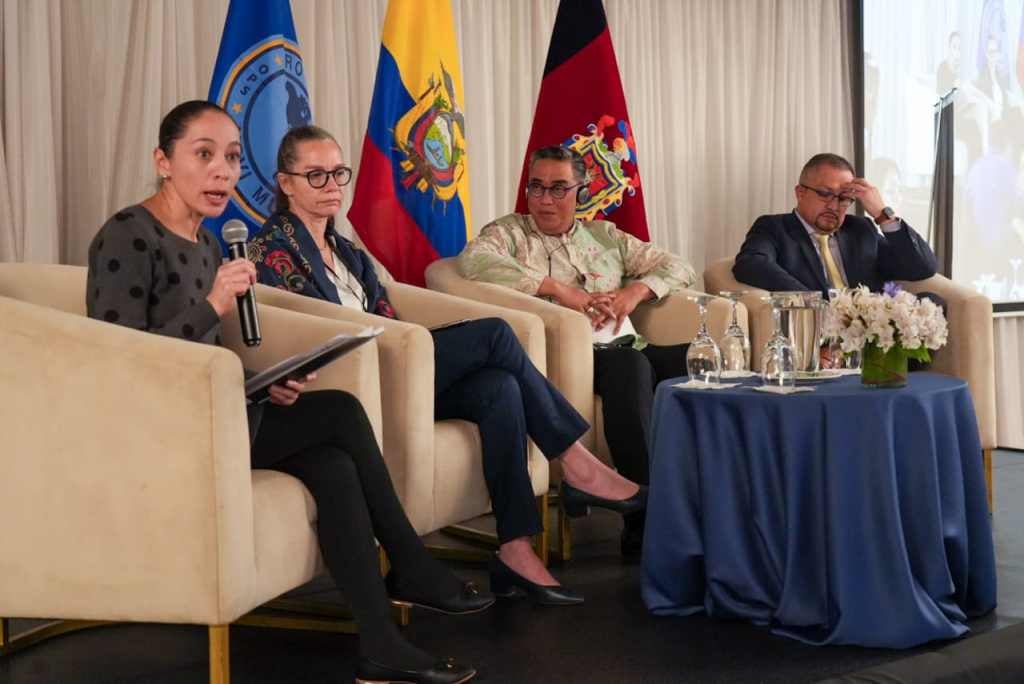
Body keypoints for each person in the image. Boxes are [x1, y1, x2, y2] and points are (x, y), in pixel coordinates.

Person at [87, 101, 487, 684]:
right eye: (203, 155)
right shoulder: (127, 236)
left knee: (332, 464)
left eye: (229, 157)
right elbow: (119, 361)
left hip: (216, 413)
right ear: (163, 161)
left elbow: (201, 355)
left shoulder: (206, 242)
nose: (222, 171)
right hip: (158, 428)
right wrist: (213, 305)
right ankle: (410, 560)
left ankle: (381, 646)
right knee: (343, 412)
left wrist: (264, 385)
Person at [249, 125, 645, 597]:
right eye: (315, 175)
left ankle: (515, 549)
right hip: (351, 385)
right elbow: (309, 332)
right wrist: (403, 348)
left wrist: (408, 350)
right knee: (497, 334)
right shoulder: (270, 251)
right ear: (285, 182)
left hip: (397, 369)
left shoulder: (347, 251)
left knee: (500, 385)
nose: (332, 185)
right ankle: (575, 461)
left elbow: (386, 315)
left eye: (338, 173)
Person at [456, 145, 697, 557]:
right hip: (564, 358)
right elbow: (474, 262)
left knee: (700, 361)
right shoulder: (510, 233)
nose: (545, 200)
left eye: (558, 189)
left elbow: (680, 267)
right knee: (630, 367)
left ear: (581, 192)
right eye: (536, 188)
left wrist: (632, 293)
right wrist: (559, 290)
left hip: (625, 341)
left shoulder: (605, 236)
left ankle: (713, 501)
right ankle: (644, 520)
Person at [733, 153, 937, 296]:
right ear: (800, 193)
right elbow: (750, 264)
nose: (834, 205)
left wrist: (882, 215)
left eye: (844, 198)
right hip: (817, 330)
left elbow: (921, 268)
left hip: (868, 335)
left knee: (931, 301)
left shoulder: (860, 229)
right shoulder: (775, 228)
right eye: (824, 194)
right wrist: (816, 303)